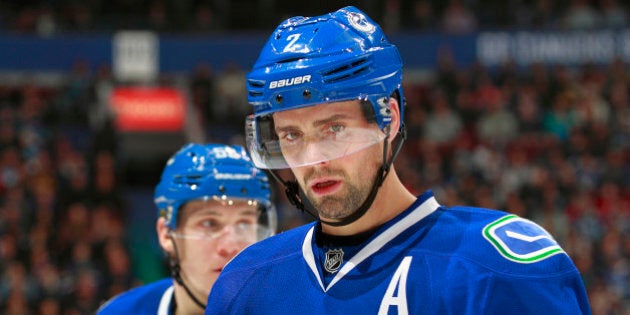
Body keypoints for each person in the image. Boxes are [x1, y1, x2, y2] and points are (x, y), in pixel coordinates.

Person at [206, 6, 592, 314]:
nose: (313, 159)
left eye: (333, 129)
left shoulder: (496, 269)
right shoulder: (245, 282)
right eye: (292, 136)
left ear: (388, 120)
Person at [97, 143, 277, 314]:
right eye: (209, 223)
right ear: (167, 234)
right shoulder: (122, 311)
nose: (230, 247)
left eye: (244, 224)